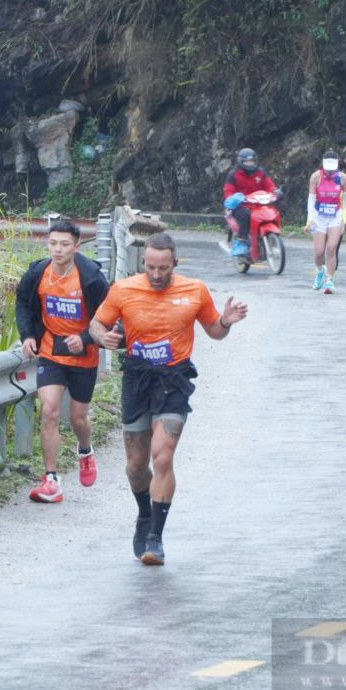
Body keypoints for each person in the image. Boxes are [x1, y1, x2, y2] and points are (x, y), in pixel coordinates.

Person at [89, 232, 247, 565]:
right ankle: (144, 513)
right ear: (143, 263)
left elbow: (214, 332)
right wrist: (105, 337)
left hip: (173, 380)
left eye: (164, 268)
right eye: (151, 267)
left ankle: (154, 539)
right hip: (136, 378)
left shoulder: (194, 291)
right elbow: (96, 325)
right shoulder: (123, 290)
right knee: (135, 464)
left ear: (175, 263)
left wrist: (226, 322)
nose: (157, 275)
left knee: (163, 457)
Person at [15, 219, 111, 502]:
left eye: (64, 244)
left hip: (83, 354)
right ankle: (51, 480)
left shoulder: (90, 277)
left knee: (78, 418)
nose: (58, 250)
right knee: (49, 410)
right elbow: (22, 302)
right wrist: (28, 335)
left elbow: (107, 315)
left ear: (76, 246)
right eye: (53, 243)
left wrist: (85, 338)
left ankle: (85, 450)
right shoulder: (38, 272)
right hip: (51, 350)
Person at [222, 147, 280, 260]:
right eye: (247, 161)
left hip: (258, 204)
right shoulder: (233, 175)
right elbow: (228, 191)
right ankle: (242, 241)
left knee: (272, 210)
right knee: (245, 215)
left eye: (251, 161)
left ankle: (268, 238)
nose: (249, 164)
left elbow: (269, 185)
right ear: (241, 162)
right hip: (241, 206)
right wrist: (234, 199)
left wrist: (276, 192)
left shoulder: (260, 172)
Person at [306, 150, 346, 293]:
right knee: (319, 252)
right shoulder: (315, 177)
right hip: (319, 216)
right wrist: (309, 219)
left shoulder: (343, 178)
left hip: (335, 216)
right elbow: (311, 199)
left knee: (331, 248)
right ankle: (320, 271)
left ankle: (330, 280)